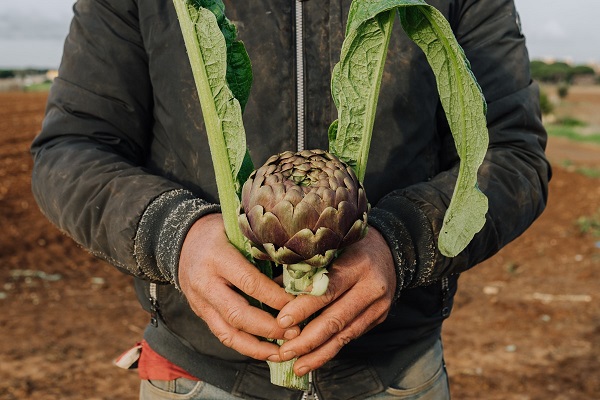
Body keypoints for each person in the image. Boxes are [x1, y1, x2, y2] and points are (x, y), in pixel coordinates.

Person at [31, 0, 550, 399]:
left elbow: (511, 152)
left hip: (394, 375)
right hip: (199, 376)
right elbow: (73, 148)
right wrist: (175, 235)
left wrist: (401, 244)